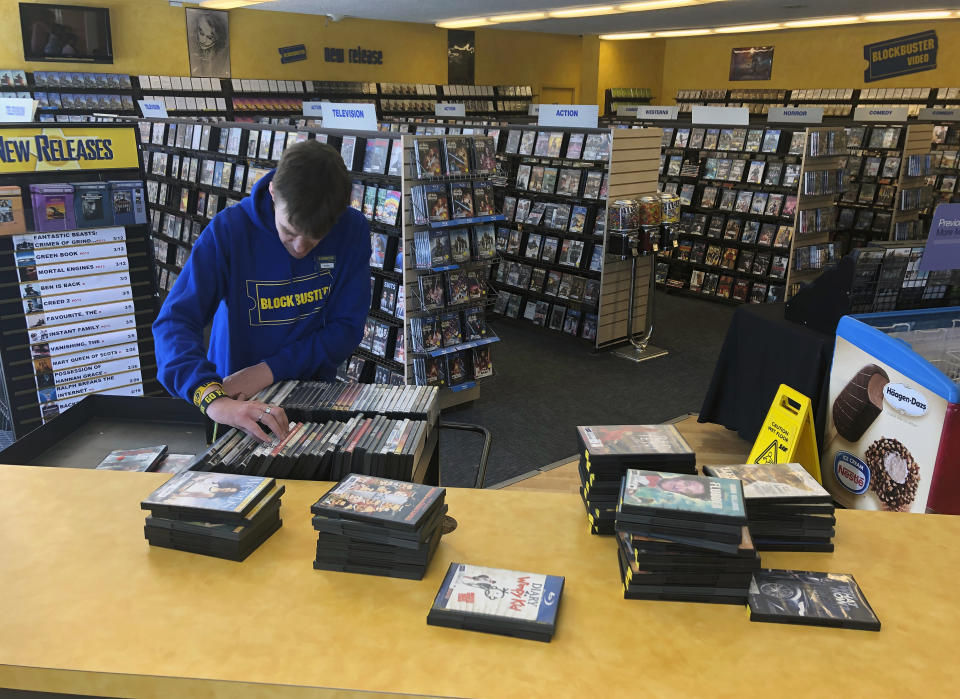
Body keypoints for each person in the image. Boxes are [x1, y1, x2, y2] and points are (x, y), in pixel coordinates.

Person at [153, 140, 371, 442]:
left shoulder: (352, 229)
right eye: (290, 232)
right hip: (237, 401)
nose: (299, 248)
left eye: (314, 240)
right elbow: (174, 321)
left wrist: (269, 370)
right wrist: (210, 397)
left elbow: (346, 328)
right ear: (272, 194)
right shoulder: (229, 230)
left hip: (311, 395)